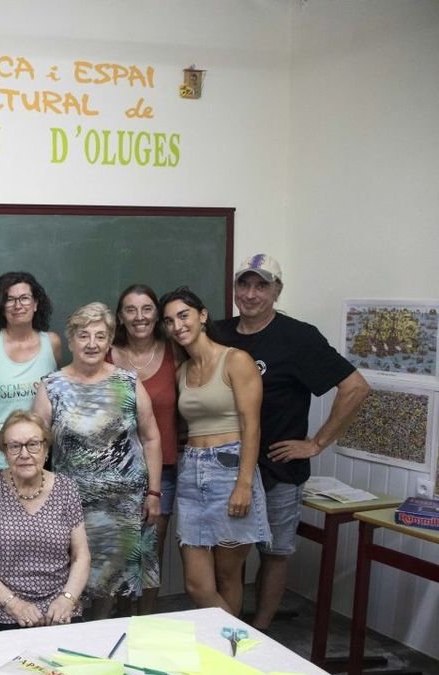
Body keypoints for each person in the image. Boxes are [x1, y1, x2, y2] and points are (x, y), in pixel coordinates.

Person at [214, 254, 369, 629]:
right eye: (244, 284)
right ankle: (227, 628)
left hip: (280, 469)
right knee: (229, 554)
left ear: (277, 291)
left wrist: (316, 443)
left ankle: (263, 629)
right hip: (228, 468)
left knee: (275, 553)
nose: (250, 294)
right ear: (234, 288)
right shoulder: (217, 334)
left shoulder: (299, 337)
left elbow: (355, 387)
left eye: (261, 285)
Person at [32, 302, 162, 619]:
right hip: (75, 509)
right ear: (72, 339)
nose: (92, 343)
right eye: (84, 335)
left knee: (117, 588)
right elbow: (36, 448)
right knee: (79, 586)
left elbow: (151, 438)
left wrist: (154, 493)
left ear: (109, 340)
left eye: (100, 336)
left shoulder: (129, 384)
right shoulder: (51, 386)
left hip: (126, 507)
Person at [161, 287, 270, 615]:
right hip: (192, 471)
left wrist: (244, 484)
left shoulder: (236, 360)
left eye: (184, 315)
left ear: (202, 315)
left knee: (227, 576)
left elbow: (252, 427)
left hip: (231, 469)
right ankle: (240, 646)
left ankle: (230, 656)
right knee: (197, 583)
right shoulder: (182, 372)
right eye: (169, 321)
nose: (177, 325)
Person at [0, 410, 90, 629]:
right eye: (14, 446)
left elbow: (81, 556)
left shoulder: (67, 488)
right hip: (2, 607)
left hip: (57, 604)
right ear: (4, 452)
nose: (24, 454)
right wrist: (14, 605)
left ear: (46, 449)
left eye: (33, 444)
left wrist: (67, 598)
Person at [106, 283, 179, 615]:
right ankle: (121, 623)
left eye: (147, 309)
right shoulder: (104, 352)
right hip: (112, 473)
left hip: (159, 471)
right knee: (120, 554)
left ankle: (147, 624)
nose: (139, 317)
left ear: (157, 313)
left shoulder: (175, 352)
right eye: (130, 310)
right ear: (120, 316)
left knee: (151, 554)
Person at [0, 271, 62, 485]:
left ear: (36, 303)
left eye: (24, 298)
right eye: (9, 299)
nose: (17, 305)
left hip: (37, 457)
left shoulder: (52, 343)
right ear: (1, 307)